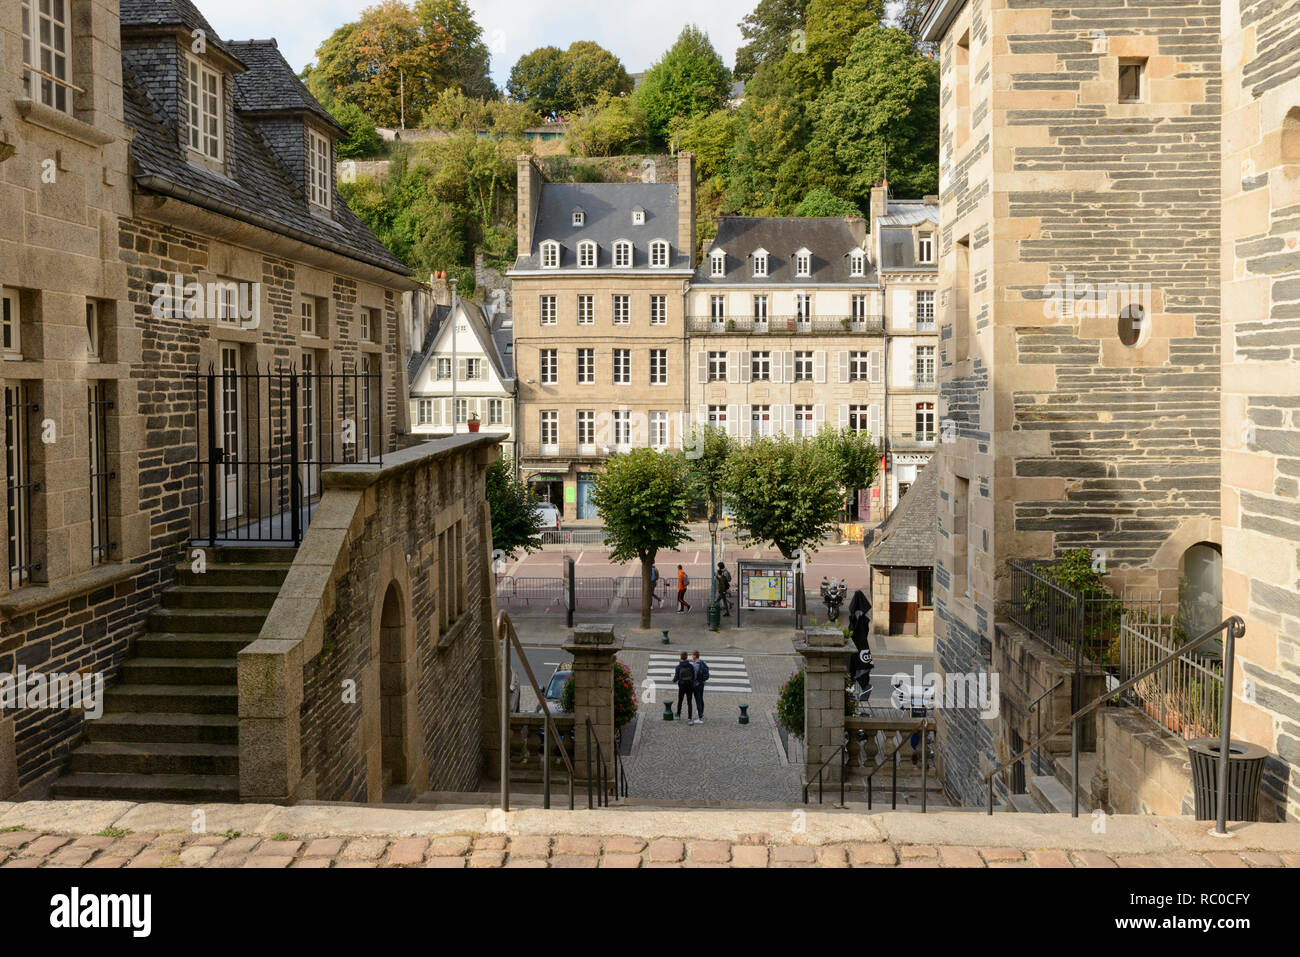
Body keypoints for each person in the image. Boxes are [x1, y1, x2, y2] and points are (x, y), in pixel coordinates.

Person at [673, 651, 695, 721]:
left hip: (682, 686)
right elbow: (693, 676)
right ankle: (689, 718)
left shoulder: (678, 667)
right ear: (686, 657)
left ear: (680, 657)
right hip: (689, 686)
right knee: (689, 702)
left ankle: (678, 714)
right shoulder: (691, 666)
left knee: (680, 700)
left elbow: (676, 678)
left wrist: (674, 680)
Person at [690, 650, 710, 724]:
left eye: (692, 655)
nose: (692, 657)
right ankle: (701, 712)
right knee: (701, 698)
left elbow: (694, 676)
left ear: (695, 656)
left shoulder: (695, 665)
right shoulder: (703, 662)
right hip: (702, 683)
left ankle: (699, 717)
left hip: (696, 684)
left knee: (698, 700)